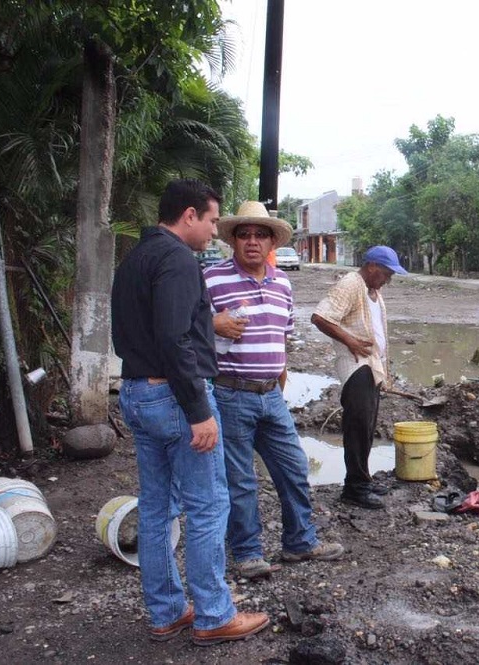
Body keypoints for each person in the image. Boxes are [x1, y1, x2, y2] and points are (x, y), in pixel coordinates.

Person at [111, 179, 269, 646]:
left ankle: (167, 612)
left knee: (159, 508)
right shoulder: (179, 260)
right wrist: (199, 410)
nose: (215, 230)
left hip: (138, 391)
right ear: (189, 216)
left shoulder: (135, 258)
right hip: (175, 396)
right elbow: (175, 339)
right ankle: (214, 614)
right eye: (213, 220)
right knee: (208, 504)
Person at [205, 200, 344, 579]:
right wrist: (212, 324)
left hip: (271, 394)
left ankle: (299, 542)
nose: (252, 241)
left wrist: (279, 386)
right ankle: (248, 553)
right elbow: (187, 331)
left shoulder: (283, 283)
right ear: (233, 240)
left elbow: (283, 341)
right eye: (244, 234)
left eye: (260, 235)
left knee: (294, 466)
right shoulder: (212, 279)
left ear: (271, 243)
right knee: (241, 480)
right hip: (230, 393)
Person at [310, 246, 408, 509]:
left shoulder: (373, 291)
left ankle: (362, 479)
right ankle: (354, 488)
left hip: (370, 366)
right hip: (356, 367)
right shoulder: (351, 284)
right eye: (386, 273)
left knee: (367, 427)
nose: (389, 279)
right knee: (357, 428)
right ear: (372, 266)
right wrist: (350, 341)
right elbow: (320, 317)